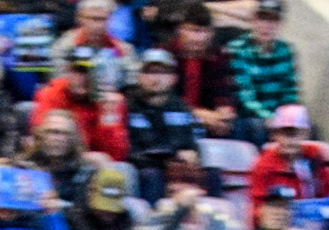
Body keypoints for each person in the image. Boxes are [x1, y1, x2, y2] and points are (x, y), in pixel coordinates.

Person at [125, 47, 201, 203]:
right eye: (149, 72)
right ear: (139, 76)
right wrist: (169, 158)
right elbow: (130, 151)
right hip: (144, 169)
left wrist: (192, 154)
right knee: (153, 175)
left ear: (173, 78)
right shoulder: (128, 106)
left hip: (177, 168)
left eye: (162, 72)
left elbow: (192, 145)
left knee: (212, 174)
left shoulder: (181, 107)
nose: (156, 78)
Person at [30, 46, 131, 163]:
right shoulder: (51, 93)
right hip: (55, 158)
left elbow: (117, 155)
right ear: (67, 72)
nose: (83, 78)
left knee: (120, 168)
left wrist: (108, 116)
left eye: (89, 72)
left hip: (92, 166)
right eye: (78, 71)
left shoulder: (110, 102)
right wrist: (81, 156)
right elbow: (40, 139)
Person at [247, 102, 329, 219]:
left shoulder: (314, 156)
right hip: (280, 225)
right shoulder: (263, 165)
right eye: (284, 134)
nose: (289, 140)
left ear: (305, 134)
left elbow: (327, 196)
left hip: (315, 221)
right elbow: (256, 210)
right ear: (275, 135)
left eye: (294, 134)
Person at [226, 0, 298, 139]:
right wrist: (270, 118)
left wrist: (286, 119)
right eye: (262, 19)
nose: (267, 26)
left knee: (308, 128)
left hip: (278, 118)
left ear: (280, 24)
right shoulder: (237, 48)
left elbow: (290, 93)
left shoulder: (286, 50)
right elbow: (245, 97)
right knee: (257, 127)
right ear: (253, 20)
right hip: (247, 117)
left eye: (273, 20)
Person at [167, 2, 235, 138]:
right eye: (193, 30)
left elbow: (223, 89)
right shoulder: (166, 56)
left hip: (211, 122)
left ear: (212, 33)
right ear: (180, 30)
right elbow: (164, 98)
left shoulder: (218, 57)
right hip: (172, 121)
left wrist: (224, 111)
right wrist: (196, 114)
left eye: (204, 31)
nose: (198, 38)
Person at [49, 0, 132, 87]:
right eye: (92, 19)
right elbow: (58, 79)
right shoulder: (63, 47)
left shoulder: (123, 49)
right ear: (80, 19)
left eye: (103, 19)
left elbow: (130, 81)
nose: (98, 26)